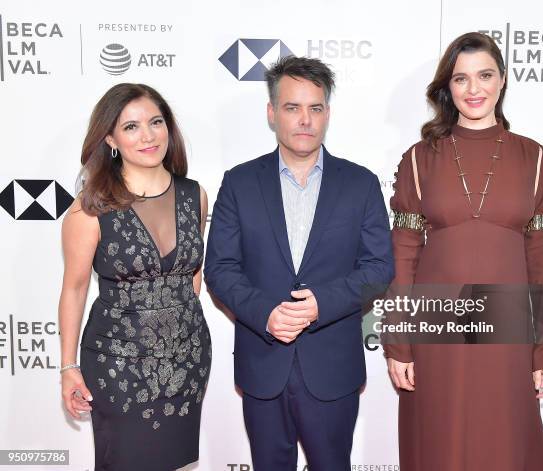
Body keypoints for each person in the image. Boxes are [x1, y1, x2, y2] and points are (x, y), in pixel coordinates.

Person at [383, 32, 543, 471]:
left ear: (502, 80)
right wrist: (397, 341)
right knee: (438, 442)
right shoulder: (419, 160)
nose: (474, 89)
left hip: (508, 335)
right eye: (461, 79)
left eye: (484, 75)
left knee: (502, 444)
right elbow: (403, 256)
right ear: (447, 88)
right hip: (433, 333)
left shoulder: (535, 159)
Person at [204, 56, 394, 470]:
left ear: (327, 113)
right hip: (263, 364)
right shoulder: (239, 182)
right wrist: (265, 314)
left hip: (332, 368)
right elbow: (220, 268)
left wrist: (321, 304)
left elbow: (380, 267)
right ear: (272, 113)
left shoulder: (360, 184)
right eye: (292, 107)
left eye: (316, 107)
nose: (305, 120)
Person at [58, 83, 211, 470]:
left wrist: (181, 329)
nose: (148, 135)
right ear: (110, 138)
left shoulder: (195, 195)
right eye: (131, 127)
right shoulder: (89, 208)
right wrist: (67, 367)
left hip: (186, 362)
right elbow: (74, 290)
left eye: (156, 122)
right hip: (118, 365)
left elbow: (191, 277)